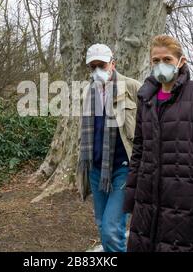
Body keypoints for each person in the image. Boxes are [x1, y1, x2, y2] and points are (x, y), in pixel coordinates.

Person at [124, 35, 193, 252]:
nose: (160, 65)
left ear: (181, 61)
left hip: (188, 208)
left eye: (167, 59)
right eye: (155, 60)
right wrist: (131, 200)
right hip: (148, 207)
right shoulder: (145, 99)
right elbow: (139, 152)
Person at [77, 43, 141, 252]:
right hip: (97, 170)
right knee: (103, 227)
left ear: (112, 64)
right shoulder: (88, 92)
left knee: (112, 229)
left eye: (101, 65)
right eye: (93, 66)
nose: (97, 70)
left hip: (122, 169)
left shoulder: (132, 87)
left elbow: (148, 128)